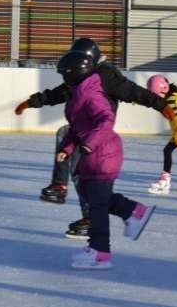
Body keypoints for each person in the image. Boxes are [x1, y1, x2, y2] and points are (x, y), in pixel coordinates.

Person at [14, 38, 168, 239]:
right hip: (84, 130)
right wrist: (33, 102)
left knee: (86, 180)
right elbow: (60, 93)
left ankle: (103, 218)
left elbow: (134, 92)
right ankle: (63, 188)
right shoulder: (80, 77)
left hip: (97, 135)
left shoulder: (107, 76)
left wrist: (162, 106)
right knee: (68, 143)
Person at [55, 50, 155, 269]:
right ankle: (134, 211)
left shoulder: (90, 95)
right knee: (93, 198)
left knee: (97, 205)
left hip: (102, 155)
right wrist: (68, 147)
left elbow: (106, 119)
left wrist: (89, 143)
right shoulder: (80, 92)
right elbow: (77, 127)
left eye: (65, 74)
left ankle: (100, 252)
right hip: (94, 155)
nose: (63, 79)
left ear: (75, 73)